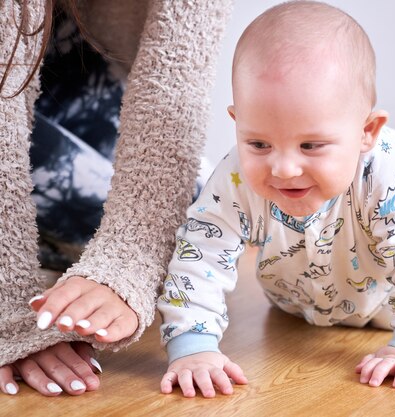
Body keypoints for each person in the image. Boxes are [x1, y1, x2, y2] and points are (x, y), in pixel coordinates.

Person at [158, 0, 395, 398]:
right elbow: (199, 252)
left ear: (367, 131)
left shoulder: (393, 175)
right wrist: (193, 345)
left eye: (311, 145)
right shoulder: (237, 175)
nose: (283, 168)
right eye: (258, 142)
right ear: (238, 124)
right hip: (298, 306)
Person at [0, 0, 232, 396]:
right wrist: (8, 304)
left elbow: (176, 75)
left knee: (196, 216)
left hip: (74, 65)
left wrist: (129, 261)